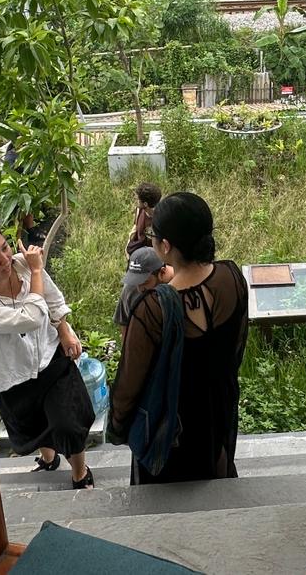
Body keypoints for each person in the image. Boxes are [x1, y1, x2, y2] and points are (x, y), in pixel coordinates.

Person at [108, 192, 249, 484]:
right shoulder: (232, 278)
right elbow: (236, 348)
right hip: (217, 416)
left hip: (171, 432)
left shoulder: (152, 308)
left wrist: (118, 428)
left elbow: (129, 384)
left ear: (166, 246)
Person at [0, 221, 95, 489]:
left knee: (69, 424)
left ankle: (80, 473)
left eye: (5, 248)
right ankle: (49, 459)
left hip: (49, 357)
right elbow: (31, 318)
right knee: (34, 427)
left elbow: (52, 299)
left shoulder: (23, 265)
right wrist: (37, 270)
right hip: (13, 374)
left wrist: (64, 331)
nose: (5, 259)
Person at [115, 245, 170, 338]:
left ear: (162, 273)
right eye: (135, 281)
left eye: (145, 282)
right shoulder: (130, 287)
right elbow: (124, 323)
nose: (139, 289)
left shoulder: (179, 288)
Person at [125, 182, 162, 256]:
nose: (135, 200)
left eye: (137, 199)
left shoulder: (160, 220)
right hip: (138, 249)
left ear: (145, 204)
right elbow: (135, 228)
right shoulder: (139, 210)